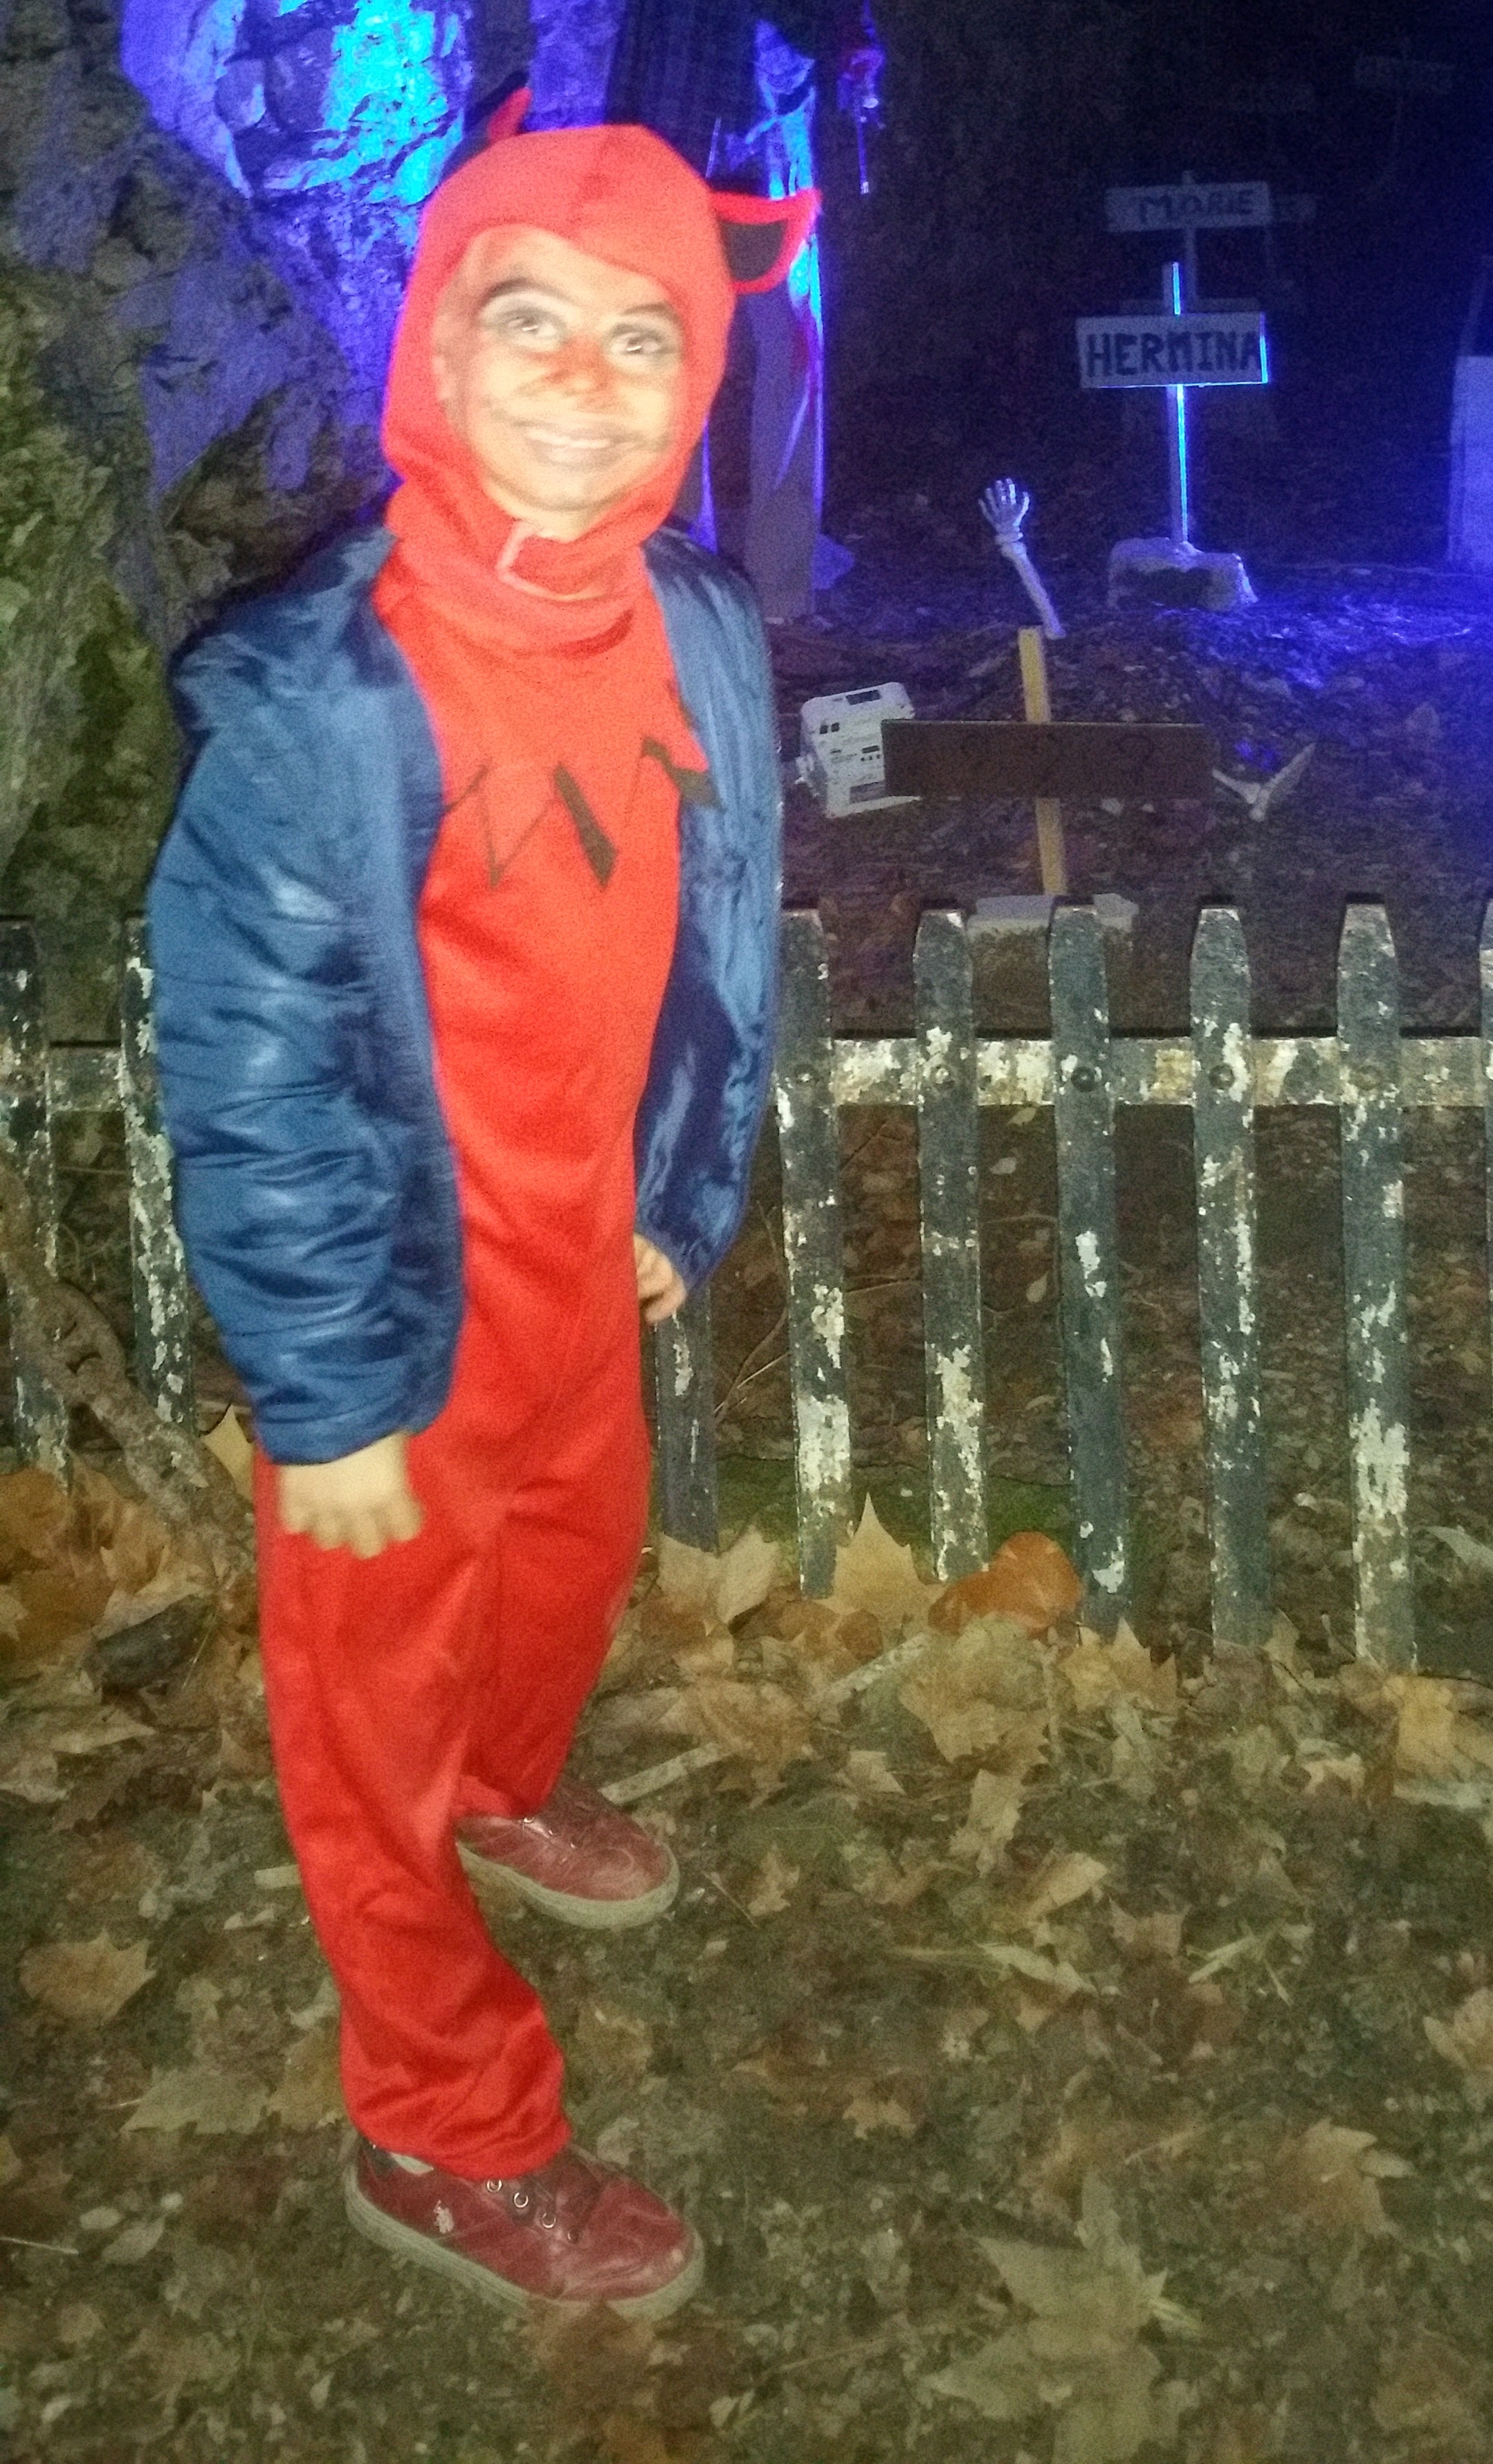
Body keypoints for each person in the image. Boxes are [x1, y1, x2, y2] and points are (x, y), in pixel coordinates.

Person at [145, 122, 816, 2317]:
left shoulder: (700, 626)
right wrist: (325, 1392)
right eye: (531, 321)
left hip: (581, 1271)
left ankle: (502, 1791)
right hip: (393, 1314)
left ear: (700, 381)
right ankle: (442, 2123)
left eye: (647, 338)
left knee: (567, 1569)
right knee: (366, 1722)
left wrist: (675, 1187)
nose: (587, 382)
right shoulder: (324, 699)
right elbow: (248, 1063)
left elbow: (722, 933)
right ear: (435, 346)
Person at [604, 0, 881, 626]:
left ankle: (782, 584)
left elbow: (849, 31)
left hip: (775, 170)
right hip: (676, 162)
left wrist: (859, 66)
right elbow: (637, 44)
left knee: (790, 356)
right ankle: (681, 571)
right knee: (671, 355)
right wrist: (620, 159)